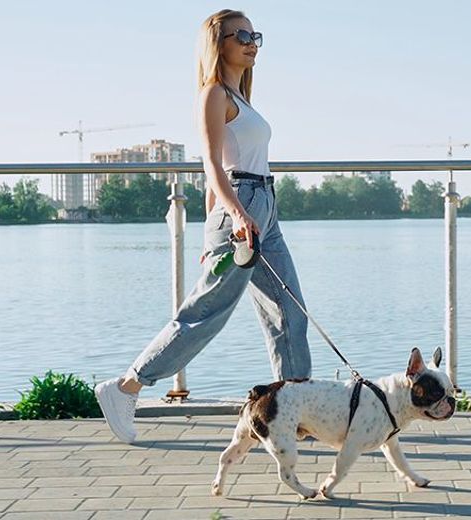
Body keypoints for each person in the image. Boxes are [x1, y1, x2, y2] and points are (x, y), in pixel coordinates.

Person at [95, 9, 311, 443]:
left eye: (256, 35)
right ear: (219, 42)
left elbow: (226, 168)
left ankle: (296, 409)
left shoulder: (241, 96)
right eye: (243, 35)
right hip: (242, 208)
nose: (252, 43)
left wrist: (217, 225)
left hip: (262, 206)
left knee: (290, 311)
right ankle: (125, 387)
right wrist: (230, 217)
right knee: (206, 314)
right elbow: (212, 165)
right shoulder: (214, 93)